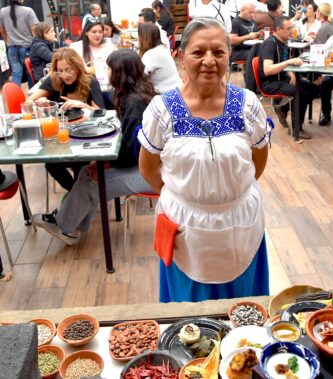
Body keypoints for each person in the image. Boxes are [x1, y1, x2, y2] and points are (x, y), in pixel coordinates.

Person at [138, 17, 272, 303]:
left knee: (243, 306)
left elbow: (258, 161)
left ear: (229, 57)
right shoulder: (161, 111)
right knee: (189, 312)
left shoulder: (248, 104)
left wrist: (229, 191)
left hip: (239, 221)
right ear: (181, 56)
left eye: (218, 52)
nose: (209, 60)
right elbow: (149, 169)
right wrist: (187, 194)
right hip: (185, 225)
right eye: (198, 52)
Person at [32, 49, 155, 245]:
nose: (107, 72)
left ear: (120, 72)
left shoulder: (134, 102)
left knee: (91, 179)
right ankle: (73, 226)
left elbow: (133, 152)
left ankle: (64, 226)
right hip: (147, 166)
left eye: (109, 68)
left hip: (149, 174)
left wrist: (106, 163)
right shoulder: (136, 94)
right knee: (86, 173)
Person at [27, 47, 105, 192]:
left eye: (69, 69)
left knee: (80, 164)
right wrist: (41, 103)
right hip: (58, 135)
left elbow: (101, 112)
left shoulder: (89, 81)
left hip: (85, 134)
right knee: (51, 164)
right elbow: (29, 102)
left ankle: (77, 197)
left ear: (77, 66)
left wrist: (83, 105)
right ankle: (76, 194)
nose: (65, 75)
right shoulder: (54, 79)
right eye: (60, 70)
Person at [258, 15, 318, 139]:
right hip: (270, 83)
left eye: (292, 27)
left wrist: (291, 74)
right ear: (279, 30)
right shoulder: (270, 44)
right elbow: (267, 70)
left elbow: (284, 61)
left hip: (282, 79)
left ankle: (283, 108)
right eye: (289, 28)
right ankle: (296, 129)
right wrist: (288, 63)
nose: (292, 30)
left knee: (313, 89)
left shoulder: (284, 42)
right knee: (300, 92)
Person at [0, 0, 38, 87]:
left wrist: (7, 42)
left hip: (12, 48)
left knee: (16, 74)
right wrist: (36, 44)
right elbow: (34, 30)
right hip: (27, 48)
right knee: (30, 73)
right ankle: (32, 97)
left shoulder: (2, 11)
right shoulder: (28, 11)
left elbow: (2, 30)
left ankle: (16, 98)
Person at [70, 21, 116, 88]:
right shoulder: (76, 47)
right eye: (94, 32)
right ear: (86, 32)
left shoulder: (109, 46)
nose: (98, 35)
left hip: (108, 86)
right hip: (86, 86)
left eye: (100, 32)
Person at [138, 22, 182, 93]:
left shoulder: (152, 54)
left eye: (138, 36)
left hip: (168, 96)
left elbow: (138, 76)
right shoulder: (161, 48)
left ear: (143, 38)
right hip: (176, 90)